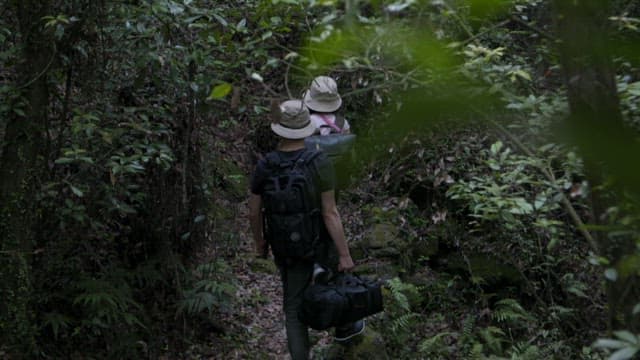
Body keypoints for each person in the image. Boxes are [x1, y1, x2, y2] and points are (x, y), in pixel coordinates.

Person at [248, 99, 361, 360]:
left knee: (293, 308)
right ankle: (346, 332)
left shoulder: (266, 165)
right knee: (336, 286)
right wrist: (344, 254)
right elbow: (329, 212)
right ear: (306, 128)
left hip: (287, 246)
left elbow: (253, 211)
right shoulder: (319, 161)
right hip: (320, 242)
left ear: (278, 129)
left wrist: (260, 244)